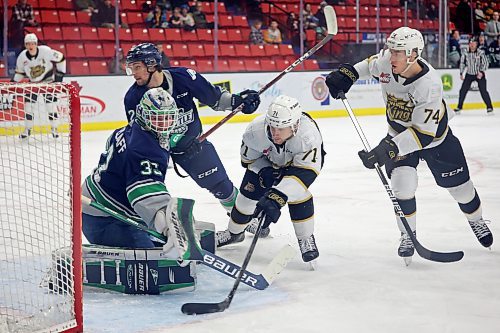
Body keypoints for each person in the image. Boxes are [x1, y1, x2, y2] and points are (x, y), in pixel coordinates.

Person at [325, 27, 493, 263]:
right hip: (398, 133)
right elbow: (367, 65)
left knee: (460, 189)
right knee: (402, 185)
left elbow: (423, 135)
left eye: (398, 52)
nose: (391, 56)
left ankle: (476, 220)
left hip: (436, 140)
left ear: (413, 54)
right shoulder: (387, 62)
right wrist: (348, 74)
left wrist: (385, 150)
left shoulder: (429, 84)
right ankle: (407, 235)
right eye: (391, 50)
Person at [124, 43, 260, 215]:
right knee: (145, 191)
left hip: (192, 147)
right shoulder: (132, 98)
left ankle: (243, 218)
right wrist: (175, 141)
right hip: (155, 153)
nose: (133, 73)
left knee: (220, 186)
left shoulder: (184, 77)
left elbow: (215, 98)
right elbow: (140, 137)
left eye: (137, 67)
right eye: (131, 68)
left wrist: (238, 101)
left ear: (152, 65)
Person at [215, 95, 325, 263]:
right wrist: (265, 171)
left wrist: (276, 197)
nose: (275, 133)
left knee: (298, 195)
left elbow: (307, 171)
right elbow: (248, 161)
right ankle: (233, 233)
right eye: (272, 127)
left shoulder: (308, 137)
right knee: (245, 198)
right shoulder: (255, 131)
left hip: (296, 168)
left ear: (295, 125)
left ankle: (305, 238)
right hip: (267, 163)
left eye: (281, 128)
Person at [12, 33, 66, 139]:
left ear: (36, 44)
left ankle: (54, 129)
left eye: (32, 43)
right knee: (28, 107)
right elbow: (20, 73)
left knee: (51, 107)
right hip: (33, 84)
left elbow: (61, 58)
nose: (30, 46)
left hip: (48, 81)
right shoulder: (22, 57)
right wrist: (13, 83)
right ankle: (27, 130)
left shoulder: (46, 51)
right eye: (28, 44)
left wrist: (60, 75)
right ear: (25, 45)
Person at [454, 37, 493, 115]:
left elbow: (485, 63)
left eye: (474, 43)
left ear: (476, 44)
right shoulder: (465, 52)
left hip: (479, 74)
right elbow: (462, 63)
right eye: (471, 43)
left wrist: (481, 72)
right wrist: (461, 73)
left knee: (483, 91)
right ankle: (459, 107)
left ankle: (489, 107)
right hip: (469, 74)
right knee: (463, 91)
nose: (472, 45)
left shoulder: (480, 52)